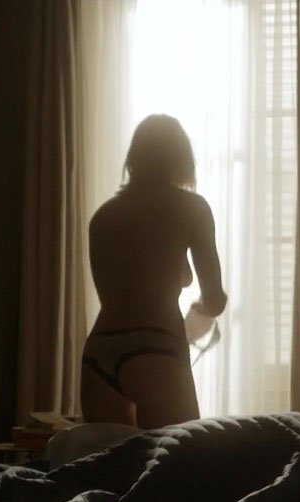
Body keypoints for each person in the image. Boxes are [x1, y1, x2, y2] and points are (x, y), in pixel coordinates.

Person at [81, 114, 227, 428]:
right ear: (181, 159)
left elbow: (121, 289)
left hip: (100, 351)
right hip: (156, 346)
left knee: (110, 459)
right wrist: (201, 309)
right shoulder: (192, 208)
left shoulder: (103, 216)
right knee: (179, 456)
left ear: (133, 159)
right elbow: (215, 299)